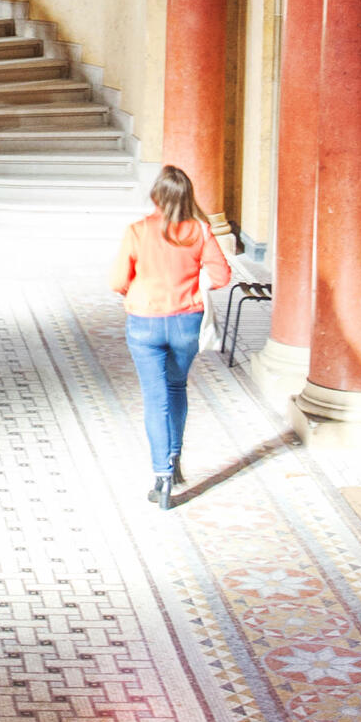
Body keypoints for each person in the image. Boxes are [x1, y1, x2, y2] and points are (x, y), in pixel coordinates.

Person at [112, 165, 232, 507]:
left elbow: (118, 280)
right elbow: (221, 276)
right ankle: (175, 459)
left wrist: (137, 289)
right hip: (186, 322)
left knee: (155, 397)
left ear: (155, 196)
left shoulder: (137, 231)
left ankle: (161, 477)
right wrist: (193, 285)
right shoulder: (201, 231)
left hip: (145, 322)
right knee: (177, 387)